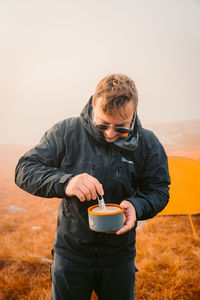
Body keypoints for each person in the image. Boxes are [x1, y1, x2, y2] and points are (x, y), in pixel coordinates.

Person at [15, 74, 170, 300]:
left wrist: (138, 206)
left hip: (119, 258)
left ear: (134, 114)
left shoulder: (147, 143)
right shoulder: (66, 132)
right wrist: (66, 182)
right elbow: (24, 169)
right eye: (102, 125)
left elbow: (159, 190)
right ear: (92, 106)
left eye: (121, 129)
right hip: (71, 255)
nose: (109, 134)